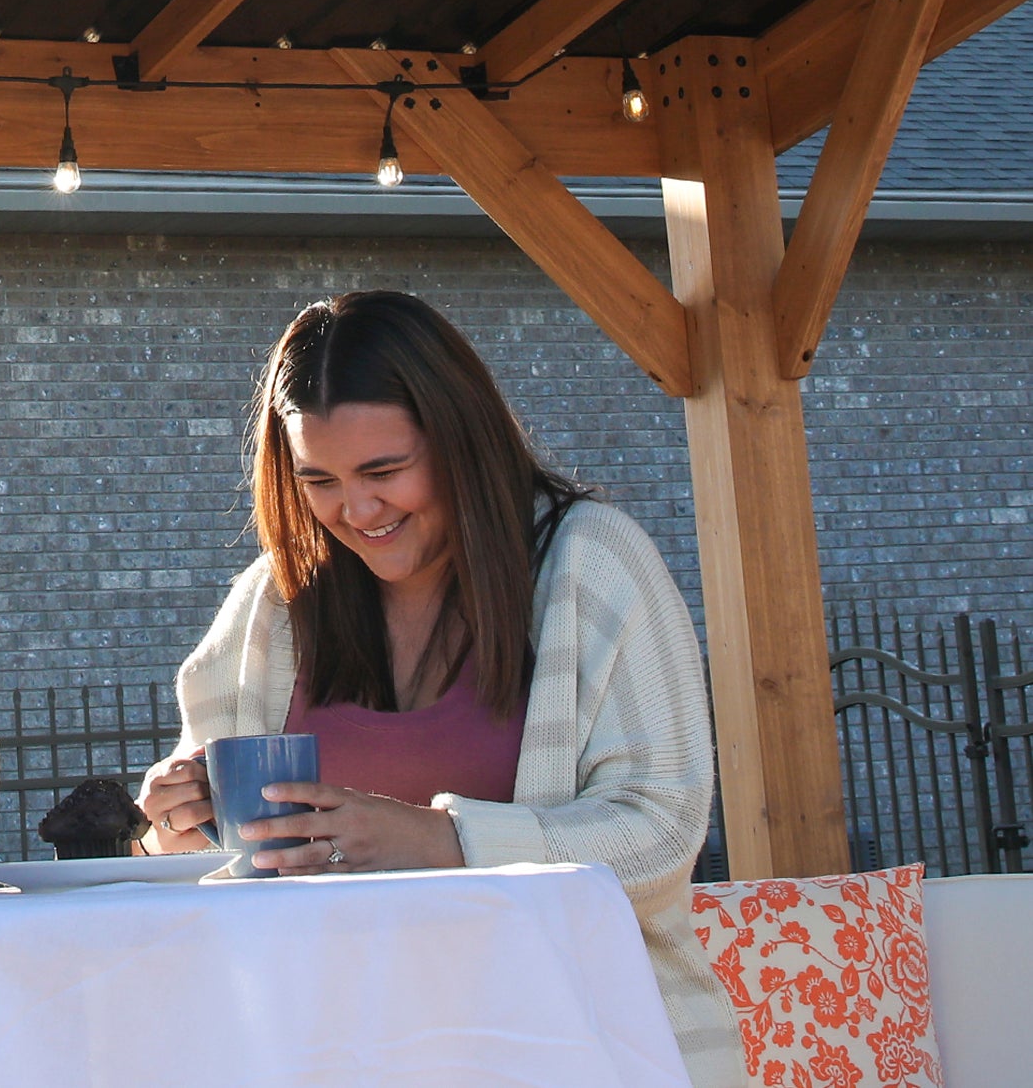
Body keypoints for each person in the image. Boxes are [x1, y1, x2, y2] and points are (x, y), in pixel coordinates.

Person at [137, 291, 741, 1088]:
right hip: (325, 1053)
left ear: (461, 438)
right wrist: (172, 827)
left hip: (567, 1051)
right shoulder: (273, 604)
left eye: (384, 470)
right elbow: (220, 861)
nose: (356, 509)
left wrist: (436, 840)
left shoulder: (594, 564)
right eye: (319, 479)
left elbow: (661, 835)